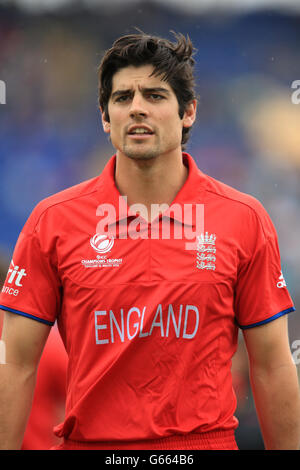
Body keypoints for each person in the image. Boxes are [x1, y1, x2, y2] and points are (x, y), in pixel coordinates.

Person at [0, 32, 299, 451]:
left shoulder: (243, 219)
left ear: (188, 112)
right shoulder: (52, 222)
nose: (137, 107)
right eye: (122, 98)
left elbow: (271, 365)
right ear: (105, 118)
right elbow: (14, 365)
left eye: (155, 96)